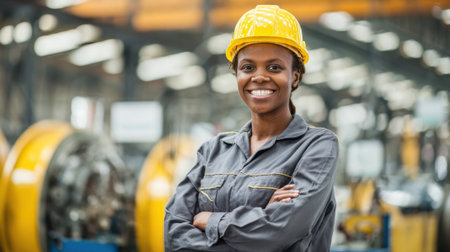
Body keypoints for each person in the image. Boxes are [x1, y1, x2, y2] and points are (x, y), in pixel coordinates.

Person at [164, 5, 339, 252]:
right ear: (236, 73)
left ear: (296, 76)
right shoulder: (213, 151)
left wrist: (211, 220)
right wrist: (260, 218)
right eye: (248, 67)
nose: (259, 76)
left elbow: (280, 231)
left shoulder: (317, 146)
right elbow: (173, 235)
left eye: (274, 67)